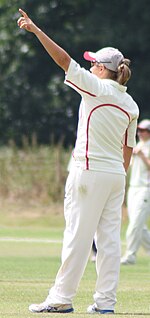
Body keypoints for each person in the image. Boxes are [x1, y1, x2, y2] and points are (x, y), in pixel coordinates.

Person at [17, 9, 139, 314]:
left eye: (93, 63)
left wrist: (36, 30)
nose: (89, 65)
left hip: (89, 171)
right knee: (109, 242)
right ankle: (105, 304)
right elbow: (128, 148)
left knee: (77, 236)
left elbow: (63, 60)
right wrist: (118, 177)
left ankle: (61, 298)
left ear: (101, 69)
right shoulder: (131, 103)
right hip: (115, 177)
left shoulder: (96, 88)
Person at [121, 119, 150, 265]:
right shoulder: (138, 145)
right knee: (136, 223)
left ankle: (130, 255)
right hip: (133, 187)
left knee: (136, 224)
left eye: (143, 131)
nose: (140, 133)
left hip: (146, 189)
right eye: (139, 130)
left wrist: (143, 156)